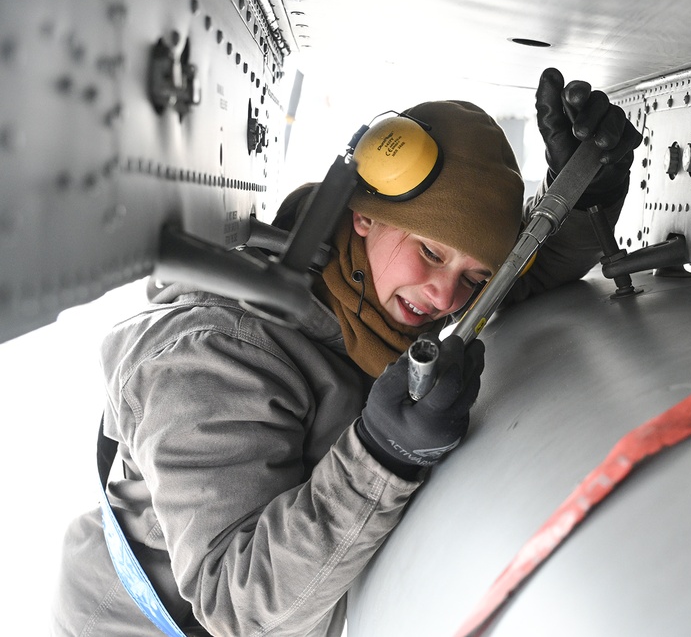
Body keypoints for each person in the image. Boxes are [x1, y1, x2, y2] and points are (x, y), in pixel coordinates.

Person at [50, 68, 642, 637]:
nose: (444, 296)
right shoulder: (216, 354)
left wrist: (586, 198)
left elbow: (519, 282)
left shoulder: (377, 296)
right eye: (432, 253)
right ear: (365, 216)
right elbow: (236, 606)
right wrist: (381, 456)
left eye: (473, 274)